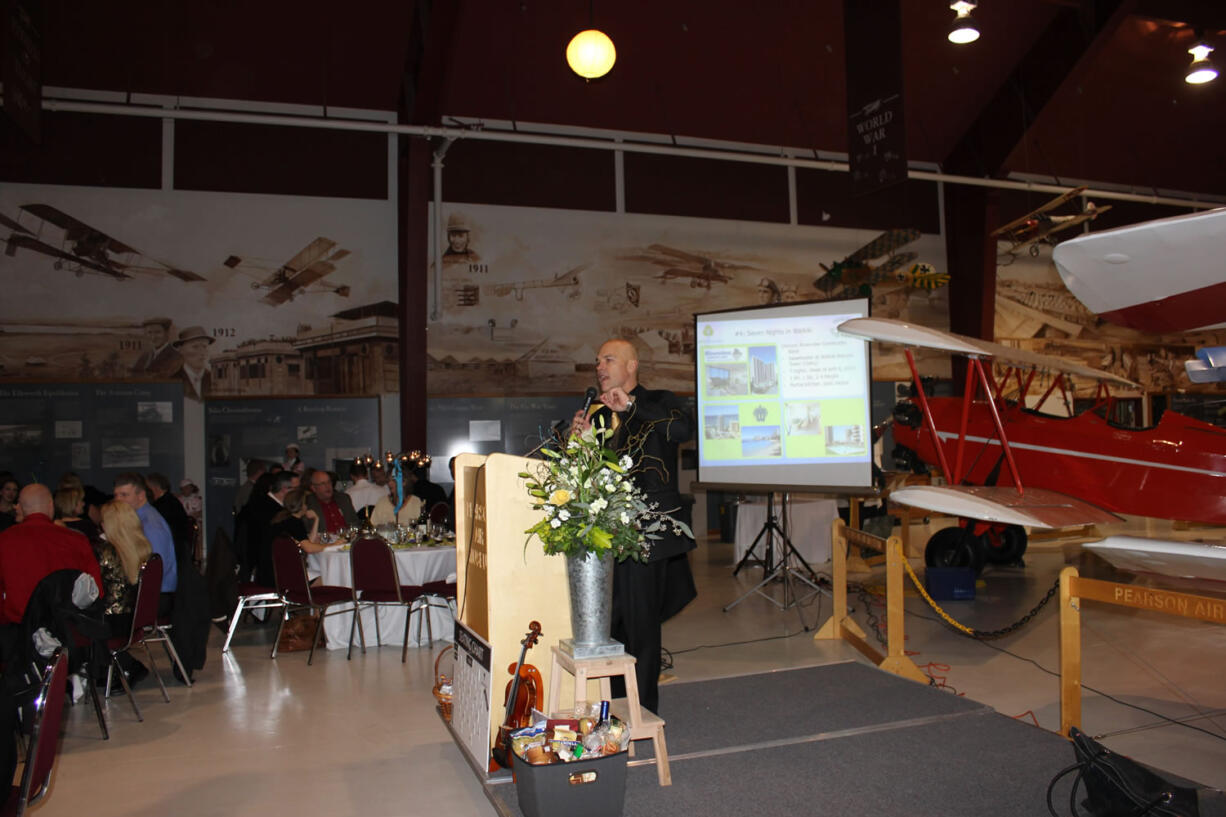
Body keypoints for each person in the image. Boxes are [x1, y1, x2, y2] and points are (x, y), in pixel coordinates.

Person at [570, 338, 696, 714]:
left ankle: (642, 713)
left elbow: (681, 431)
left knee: (642, 630)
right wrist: (581, 442)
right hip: (605, 535)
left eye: (608, 359)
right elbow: (590, 474)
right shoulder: (596, 411)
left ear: (631, 365)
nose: (600, 367)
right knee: (610, 629)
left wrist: (633, 407)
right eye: (597, 361)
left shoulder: (660, 400)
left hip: (647, 537)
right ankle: (611, 710)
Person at [0, 484, 103, 625]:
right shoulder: (76, 540)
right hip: (65, 630)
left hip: (17, 630)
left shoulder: (4, 540)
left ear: (22, 508)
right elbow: (95, 590)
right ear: (51, 505)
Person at [112, 473, 178, 601]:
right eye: (116, 495)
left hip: (157, 596)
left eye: (124, 495)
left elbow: (156, 570)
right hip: (149, 591)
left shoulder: (151, 525)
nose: (118, 500)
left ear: (141, 496)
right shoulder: (137, 519)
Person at [244, 470, 299, 586]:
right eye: (296, 489)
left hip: (253, 564)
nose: (299, 493)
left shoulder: (258, 502)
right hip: (268, 569)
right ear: (285, 489)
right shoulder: (275, 513)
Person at [146, 472, 195, 562]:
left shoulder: (162, 505)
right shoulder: (171, 500)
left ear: (154, 488)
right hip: (178, 547)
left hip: (172, 549)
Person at [305, 471, 358, 535]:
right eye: (323, 483)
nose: (328, 486)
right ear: (313, 488)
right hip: (323, 543)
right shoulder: (308, 504)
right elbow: (306, 531)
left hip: (347, 539)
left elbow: (355, 522)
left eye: (329, 482)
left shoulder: (343, 499)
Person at [172, 325, 214, 401]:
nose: (202, 352)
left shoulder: (215, 380)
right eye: (195, 346)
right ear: (181, 350)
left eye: (204, 346)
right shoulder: (172, 382)